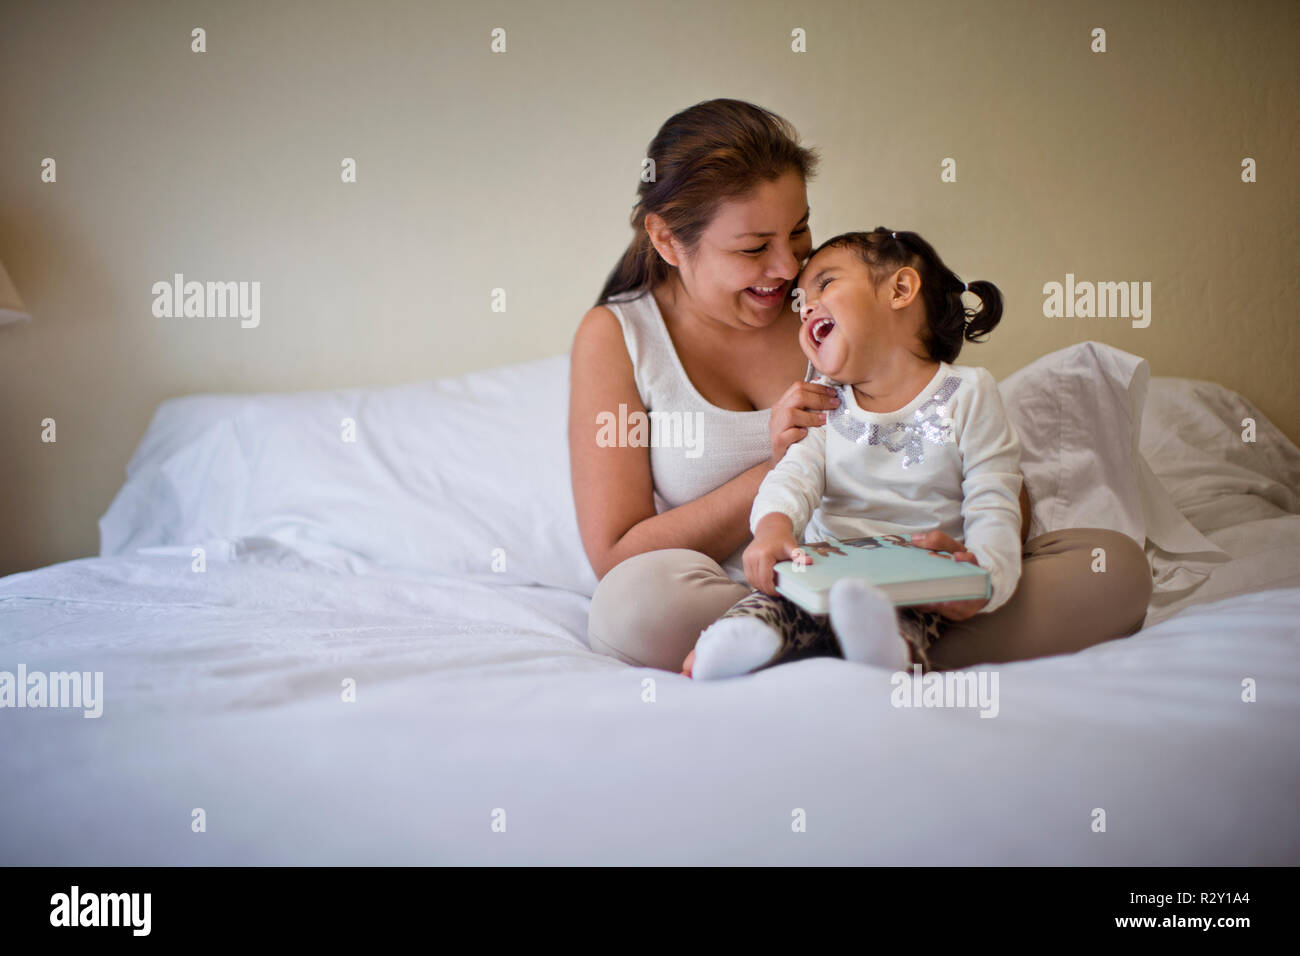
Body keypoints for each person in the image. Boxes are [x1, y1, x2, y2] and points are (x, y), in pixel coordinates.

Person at [568, 98, 1151, 674]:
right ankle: (859, 640)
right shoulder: (620, 336)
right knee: (629, 608)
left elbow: (983, 472)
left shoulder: (844, 311)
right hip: (741, 587)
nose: (787, 269)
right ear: (668, 240)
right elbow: (617, 557)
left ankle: (803, 646)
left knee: (1115, 569)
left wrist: (965, 562)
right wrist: (778, 467)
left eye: (798, 232)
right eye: (752, 249)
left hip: (908, 574)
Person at [690, 227, 1020, 679]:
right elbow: (794, 476)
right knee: (774, 603)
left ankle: (881, 654)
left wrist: (986, 579)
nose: (806, 308)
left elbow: (994, 501)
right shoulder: (826, 401)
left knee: (906, 620)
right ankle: (740, 644)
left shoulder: (967, 393)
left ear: (900, 290)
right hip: (822, 568)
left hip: (914, 578)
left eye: (825, 284)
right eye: (800, 303)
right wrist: (772, 528)